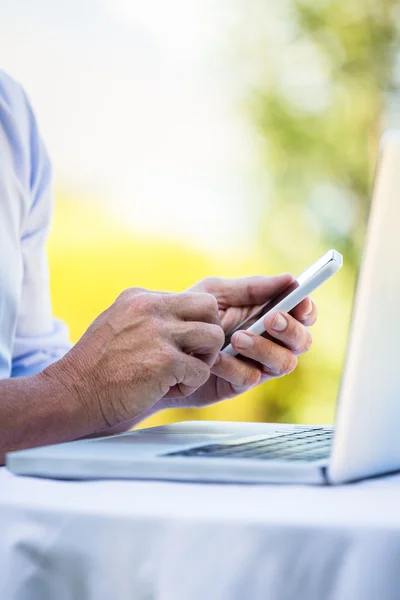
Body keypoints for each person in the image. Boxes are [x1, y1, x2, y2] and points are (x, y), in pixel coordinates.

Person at [0, 70, 317, 464]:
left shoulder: (10, 115)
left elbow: (27, 375)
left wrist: (159, 376)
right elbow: (59, 394)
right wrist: (80, 389)